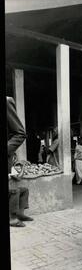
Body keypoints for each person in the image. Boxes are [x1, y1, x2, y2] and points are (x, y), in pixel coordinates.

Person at [7, 96, 33, 227]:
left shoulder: (6, 101)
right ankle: (12, 218)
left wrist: (21, 167)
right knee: (14, 190)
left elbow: (20, 133)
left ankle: (18, 214)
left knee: (21, 189)